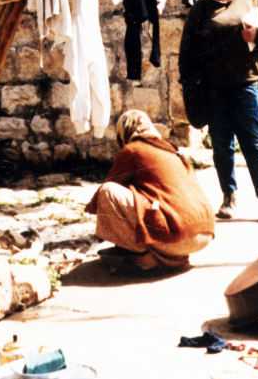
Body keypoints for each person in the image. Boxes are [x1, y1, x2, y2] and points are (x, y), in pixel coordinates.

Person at [178, 0, 258, 225]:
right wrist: (191, 87)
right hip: (214, 88)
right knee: (222, 146)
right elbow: (187, 51)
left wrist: (257, 35)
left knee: (253, 143)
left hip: (246, 84)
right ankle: (229, 197)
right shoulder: (200, 9)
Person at [84, 110, 215, 273]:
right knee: (147, 199)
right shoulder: (174, 150)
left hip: (177, 237)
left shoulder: (132, 149)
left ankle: (146, 258)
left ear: (123, 134)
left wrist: (92, 212)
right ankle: (172, 257)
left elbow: (103, 196)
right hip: (205, 233)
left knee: (108, 191)